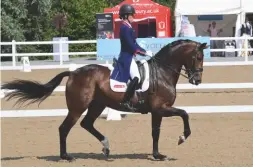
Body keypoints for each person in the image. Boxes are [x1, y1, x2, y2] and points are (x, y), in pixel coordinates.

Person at [113, 4, 153, 111]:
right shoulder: (124, 28)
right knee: (137, 77)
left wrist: (145, 51)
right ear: (126, 16)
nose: (133, 17)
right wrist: (142, 53)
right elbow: (131, 45)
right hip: (126, 58)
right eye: (131, 15)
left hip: (130, 57)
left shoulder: (129, 27)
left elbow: (135, 43)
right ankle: (126, 101)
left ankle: (136, 96)